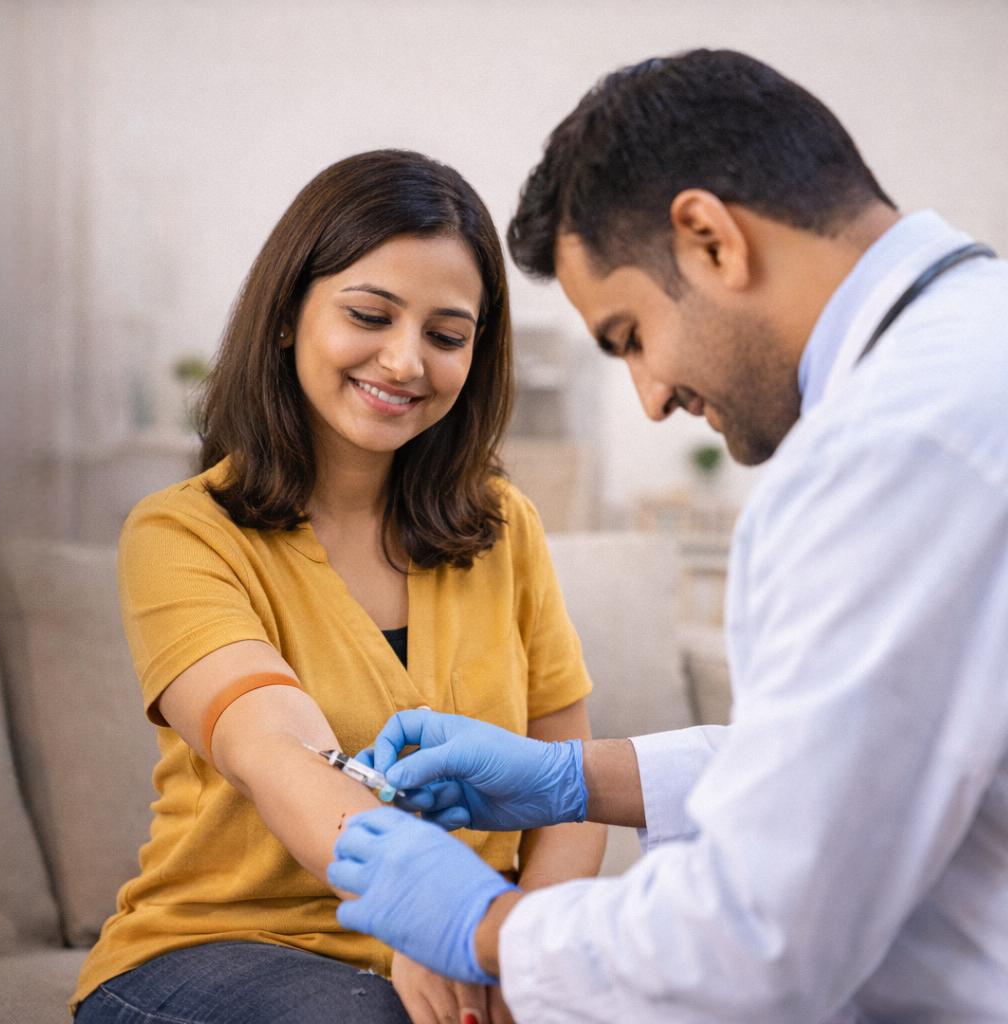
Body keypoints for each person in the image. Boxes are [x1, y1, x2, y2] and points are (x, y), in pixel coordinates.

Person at [327, 49, 1008, 1022]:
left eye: (630, 336)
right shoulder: (976, 351)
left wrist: (490, 929)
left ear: (709, 239)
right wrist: (576, 777)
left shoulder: (889, 450)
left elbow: (754, 942)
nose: (649, 400)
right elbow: (875, 755)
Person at [71, 149, 608, 1024]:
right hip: (221, 953)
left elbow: (570, 789)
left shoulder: (505, 529)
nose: (404, 362)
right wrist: (428, 911)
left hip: (471, 944)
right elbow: (273, 744)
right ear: (287, 316)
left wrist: (524, 951)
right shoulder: (182, 534)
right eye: (369, 315)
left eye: (445, 335)